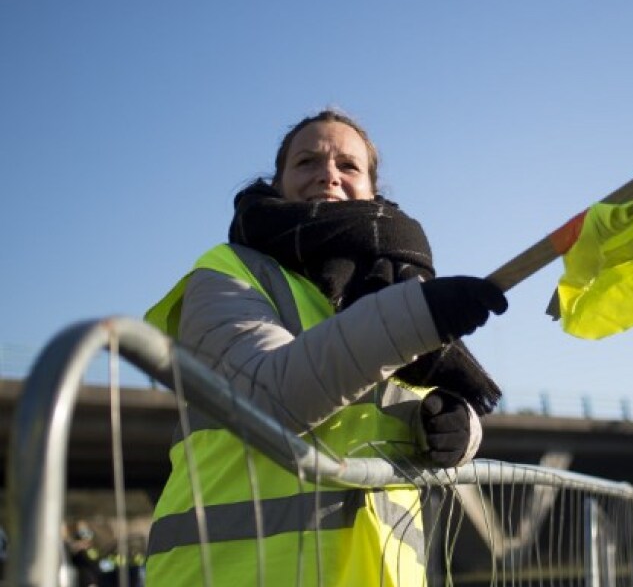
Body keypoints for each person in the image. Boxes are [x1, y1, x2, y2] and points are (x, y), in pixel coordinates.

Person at [142, 108, 508, 586]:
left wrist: (456, 430)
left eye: (348, 165)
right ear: (276, 184)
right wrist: (417, 317)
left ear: (373, 192)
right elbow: (267, 396)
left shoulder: (394, 283)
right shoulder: (229, 270)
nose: (328, 174)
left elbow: (395, 406)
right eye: (307, 162)